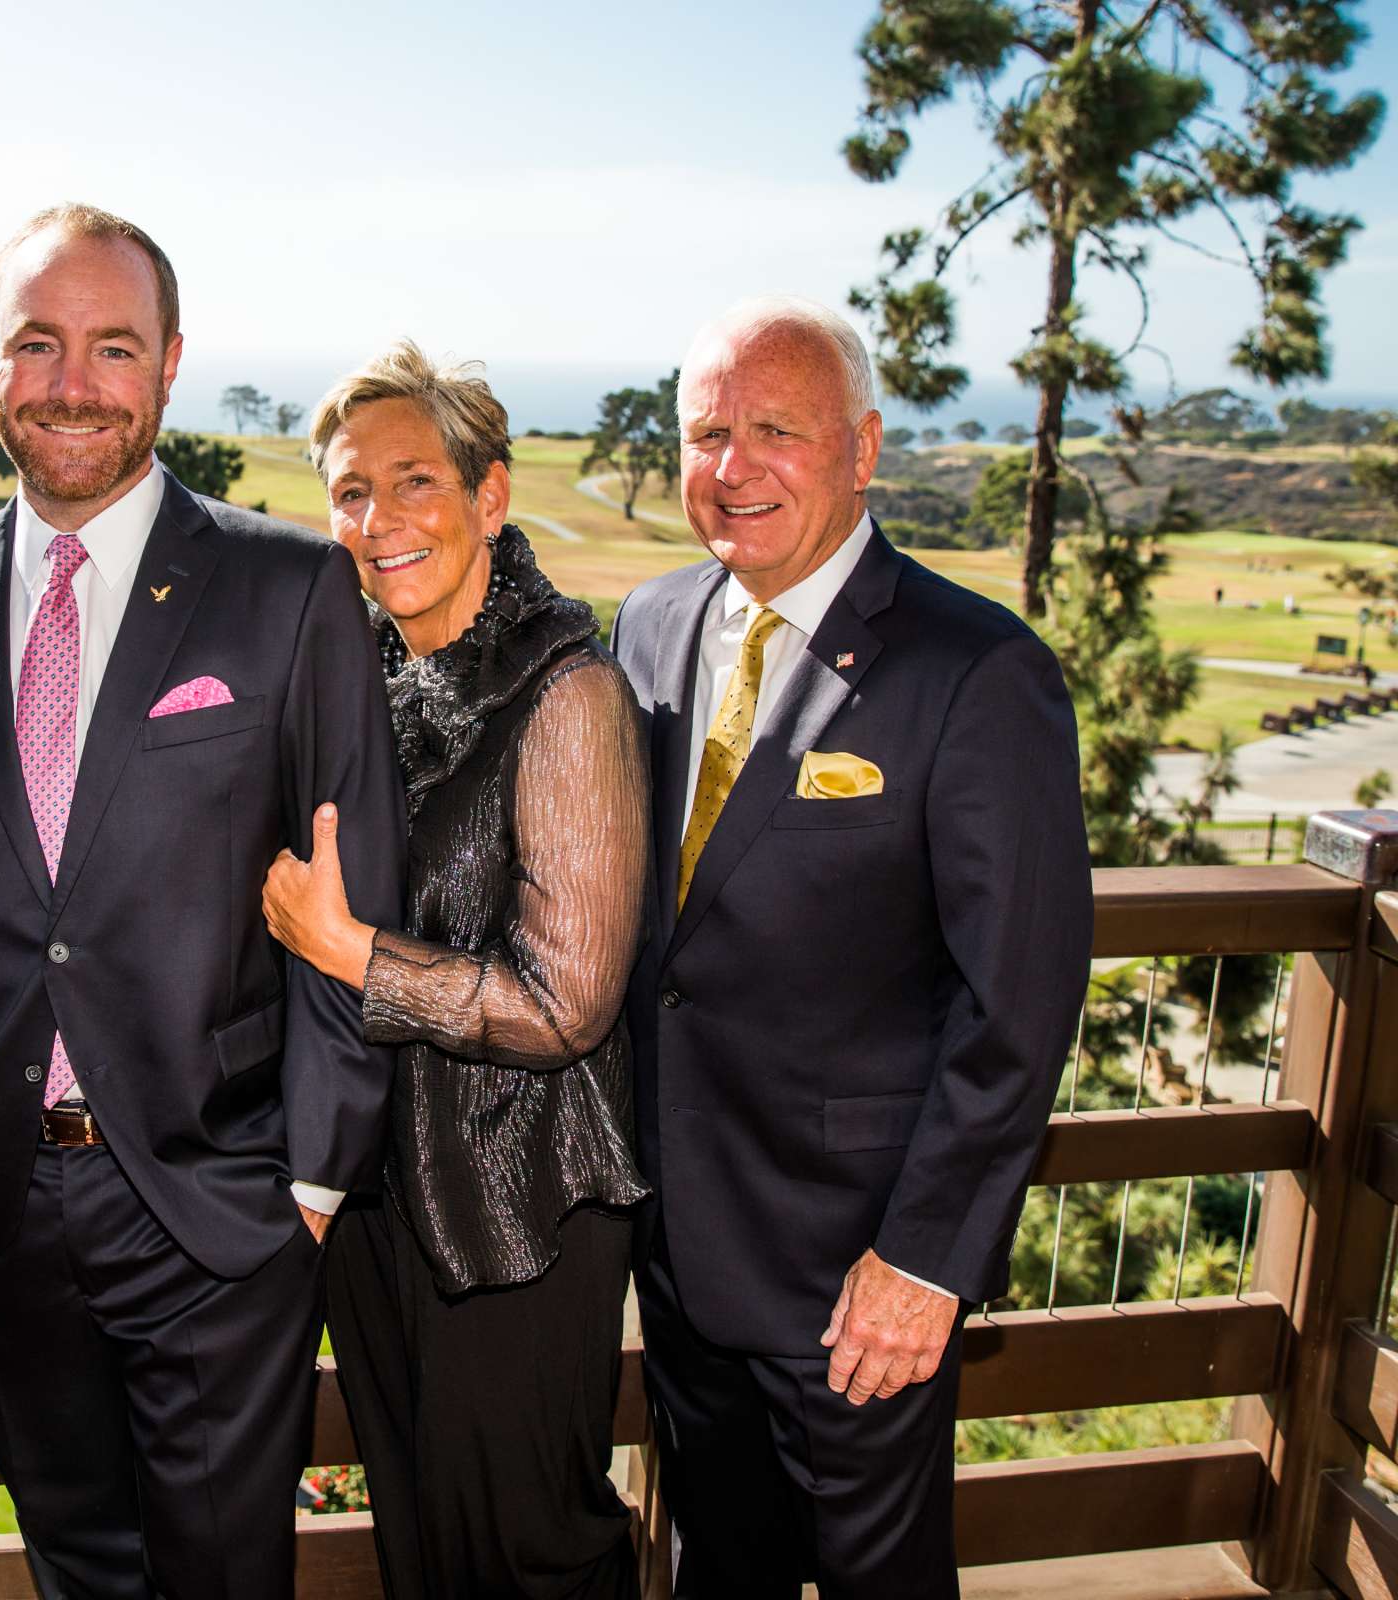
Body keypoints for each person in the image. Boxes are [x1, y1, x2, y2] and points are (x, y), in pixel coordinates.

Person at [0, 204, 405, 1600]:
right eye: (37, 343)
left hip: (219, 1204)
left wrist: (314, 1178)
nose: (72, 381)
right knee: (77, 1564)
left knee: (222, 1577)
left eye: (111, 346)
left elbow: (359, 884)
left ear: (170, 362)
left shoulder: (288, 587)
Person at [609, 296, 1090, 1598]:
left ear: (863, 447)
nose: (734, 466)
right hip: (682, 1244)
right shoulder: (647, 626)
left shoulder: (977, 671)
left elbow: (1021, 1004)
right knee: (723, 1569)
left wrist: (928, 1256)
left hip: (858, 1280)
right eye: (710, 432)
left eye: (778, 430)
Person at [261, 344, 649, 1598]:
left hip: (517, 1207)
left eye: (414, 481)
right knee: (421, 1547)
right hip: (375, 1196)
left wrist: (355, 953)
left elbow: (568, 1002)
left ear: (489, 497)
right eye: (350, 490)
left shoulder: (568, 690)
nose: (378, 521)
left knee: (532, 1553)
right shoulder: (359, 675)